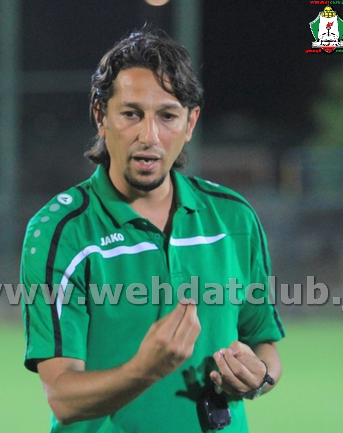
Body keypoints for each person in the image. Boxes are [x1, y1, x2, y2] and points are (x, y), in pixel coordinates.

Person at [20, 30, 285, 433]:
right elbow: (62, 396)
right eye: (131, 114)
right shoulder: (61, 232)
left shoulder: (234, 219)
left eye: (167, 116)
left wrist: (259, 376)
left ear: (190, 122)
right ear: (100, 116)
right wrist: (144, 369)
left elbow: (264, 343)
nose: (150, 136)